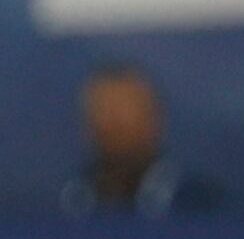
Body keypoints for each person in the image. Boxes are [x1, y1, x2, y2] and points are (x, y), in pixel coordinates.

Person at [59, 66, 212, 216]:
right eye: (104, 111)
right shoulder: (69, 201)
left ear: (154, 119)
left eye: (125, 110)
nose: (114, 124)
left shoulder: (199, 205)